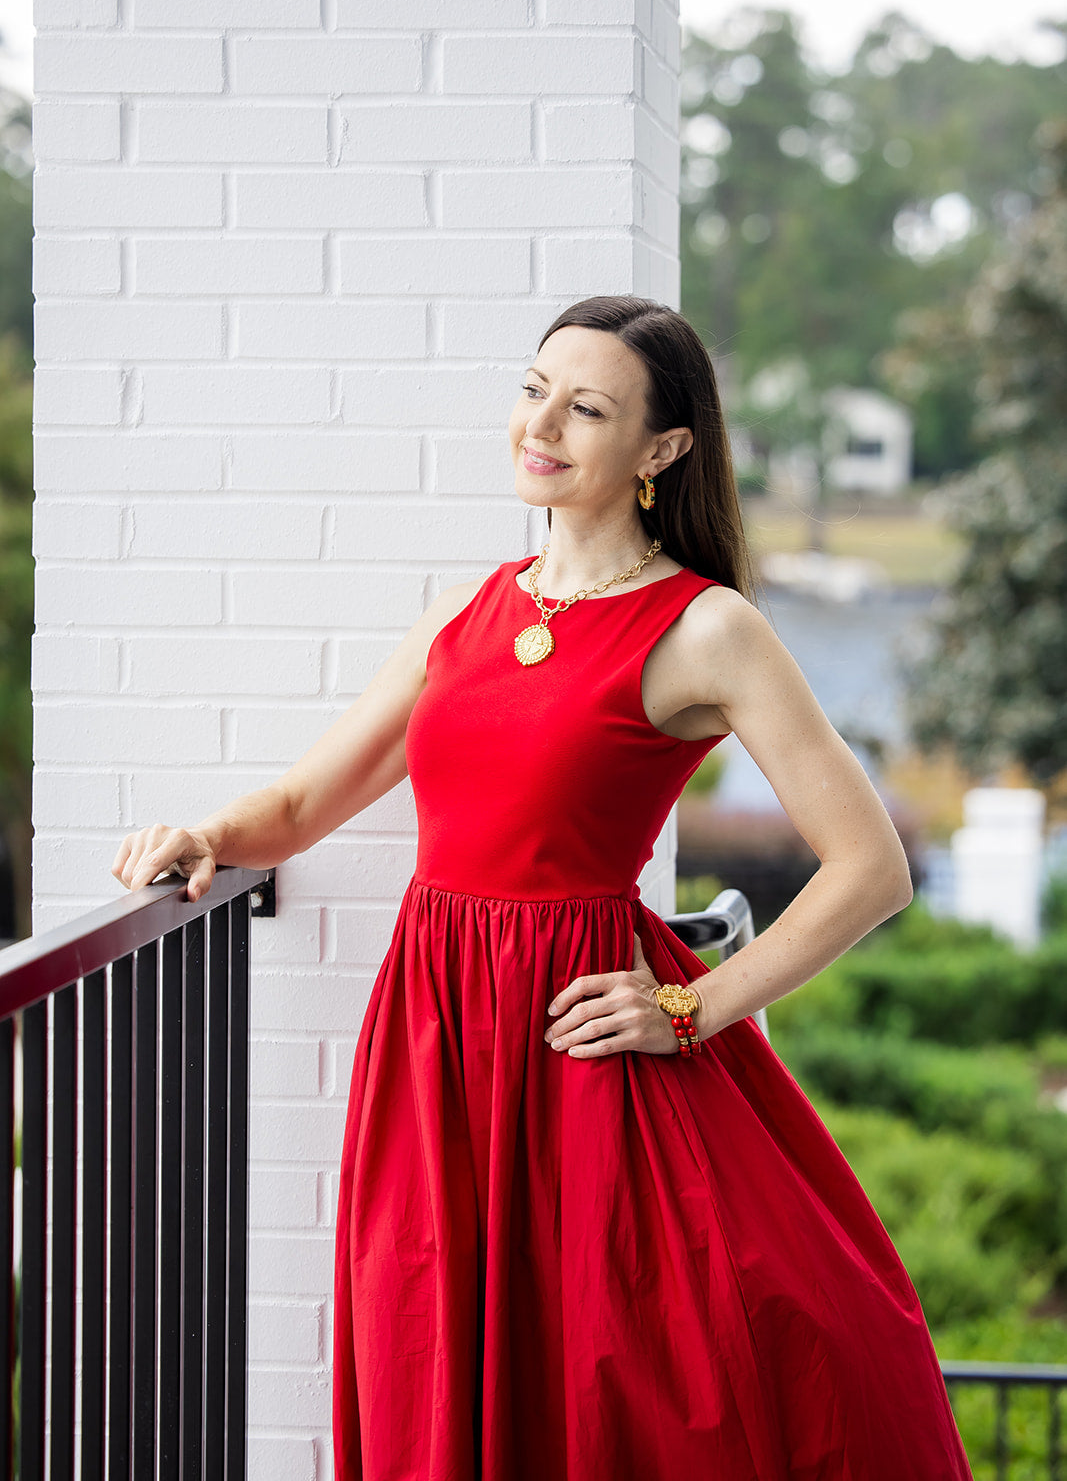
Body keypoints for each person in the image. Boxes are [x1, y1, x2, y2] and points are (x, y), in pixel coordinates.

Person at [113, 295, 973, 1480]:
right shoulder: (467, 613)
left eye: (587, 409)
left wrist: (689, 1008)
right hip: (435, 1040)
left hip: (583, 1051)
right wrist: (204, 832)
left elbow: (867, 865)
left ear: (661, 450)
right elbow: (304, 804)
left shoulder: (705, 628)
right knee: (433, 1356)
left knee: (627, 1379)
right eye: (532, 391)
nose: (542, 425)